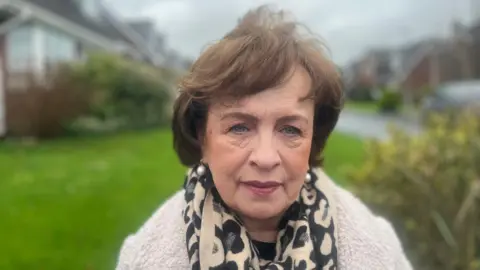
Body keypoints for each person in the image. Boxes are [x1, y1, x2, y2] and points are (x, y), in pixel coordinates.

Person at [116, 5, 412, 270]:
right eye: (240, 127)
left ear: (313, 140)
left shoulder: (377, 248)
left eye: (290, 129)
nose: (266, 157)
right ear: (201, 137)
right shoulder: (145, 255)